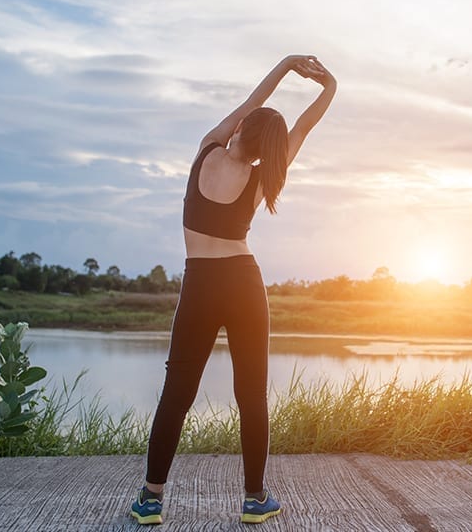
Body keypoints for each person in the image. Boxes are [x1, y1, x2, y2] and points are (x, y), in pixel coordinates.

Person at [130, 55, 336, 525]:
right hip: (245, 283)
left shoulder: (207, 150)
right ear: (270, 149)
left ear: (241, 127)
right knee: (252, 394)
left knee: (176, 393)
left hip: (200, 284)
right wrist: (330, 89)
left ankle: (150, 498)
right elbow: (300, 129)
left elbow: (253, 102)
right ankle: (254, 498)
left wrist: (286, 66)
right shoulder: (265, 173)